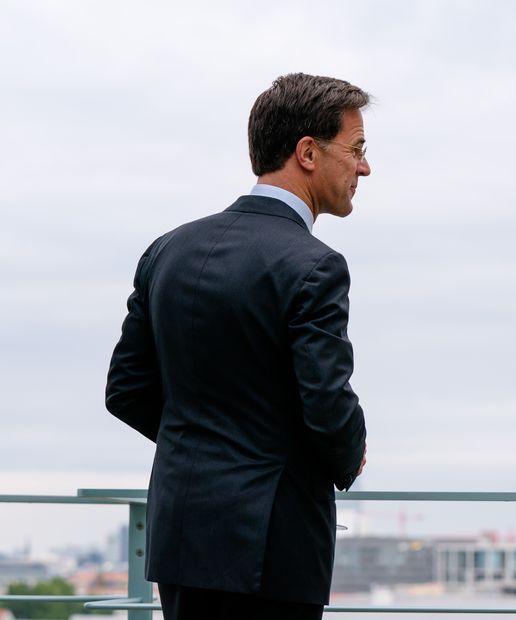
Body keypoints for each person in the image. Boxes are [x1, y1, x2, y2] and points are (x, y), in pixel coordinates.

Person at [106, 72, 372, 620]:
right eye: (356, 149)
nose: (364, 167)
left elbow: (127, 390)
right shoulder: (315, 266)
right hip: (274, 541)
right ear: (307, 153)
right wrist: (351, 454)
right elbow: (327, 406)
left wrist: (207, 445)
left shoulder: (167, 250)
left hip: (180, 531)